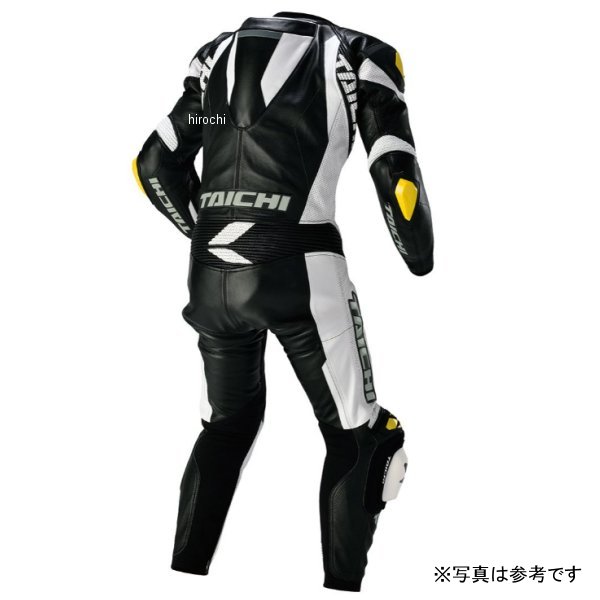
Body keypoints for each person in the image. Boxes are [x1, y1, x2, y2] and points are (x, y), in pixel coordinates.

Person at [132, 11, 434, 592]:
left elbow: (153, 165)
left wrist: (216, 237)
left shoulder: (216, 55)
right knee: (361, 441)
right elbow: (397, 177)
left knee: (226, 426)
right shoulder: (360, 54)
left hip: (211, 273)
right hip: (301, 265)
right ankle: (341, 586)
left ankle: (182, 578)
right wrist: (420, 258)